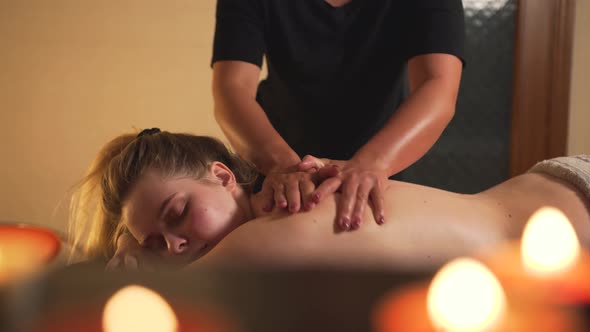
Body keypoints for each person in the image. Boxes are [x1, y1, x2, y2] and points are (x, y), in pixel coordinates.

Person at [68, 129, 590, 272]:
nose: (176, 246)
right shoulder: (287, 202)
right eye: (157, 244)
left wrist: (136, 269)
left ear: (223, 175)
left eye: (177, 213)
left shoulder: (271, 236)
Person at [211, 0, 466, 231]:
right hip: (279, 167)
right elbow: (232, 89)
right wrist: (284, 166)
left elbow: (438, 85)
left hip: (380, 161)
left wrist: (373, 163)